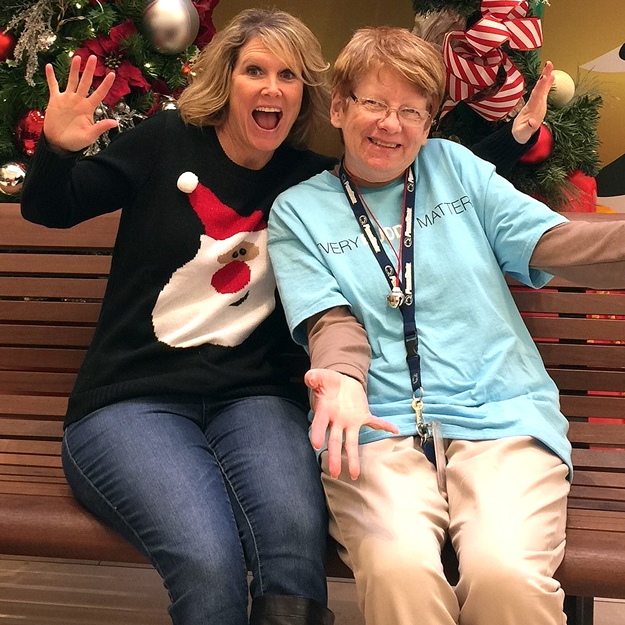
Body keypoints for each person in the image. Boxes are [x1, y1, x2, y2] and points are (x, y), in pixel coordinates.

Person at [268, 26, 625, 625]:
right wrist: (344, 381)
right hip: (377, 429)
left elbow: (549, 241)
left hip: (501, 418)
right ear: (339, 108)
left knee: (505, 576)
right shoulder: (299, 211)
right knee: (398, 570)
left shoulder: (455, 168)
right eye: (374, 103)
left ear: (429, 122)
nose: (391, 124)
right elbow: (330, 321)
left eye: (411, 110)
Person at [20, 8, 337, 625]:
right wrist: (56, 149)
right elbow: (51, 209)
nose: (273, 88)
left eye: (290, 75)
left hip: (255, 399)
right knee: (208, 561)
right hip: (131, 401)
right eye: (255, 70)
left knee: (294, 545)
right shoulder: (166, 141)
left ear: (305, 94)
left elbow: (407, 174)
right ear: (226, 79)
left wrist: (515, 137)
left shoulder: (313, 182)